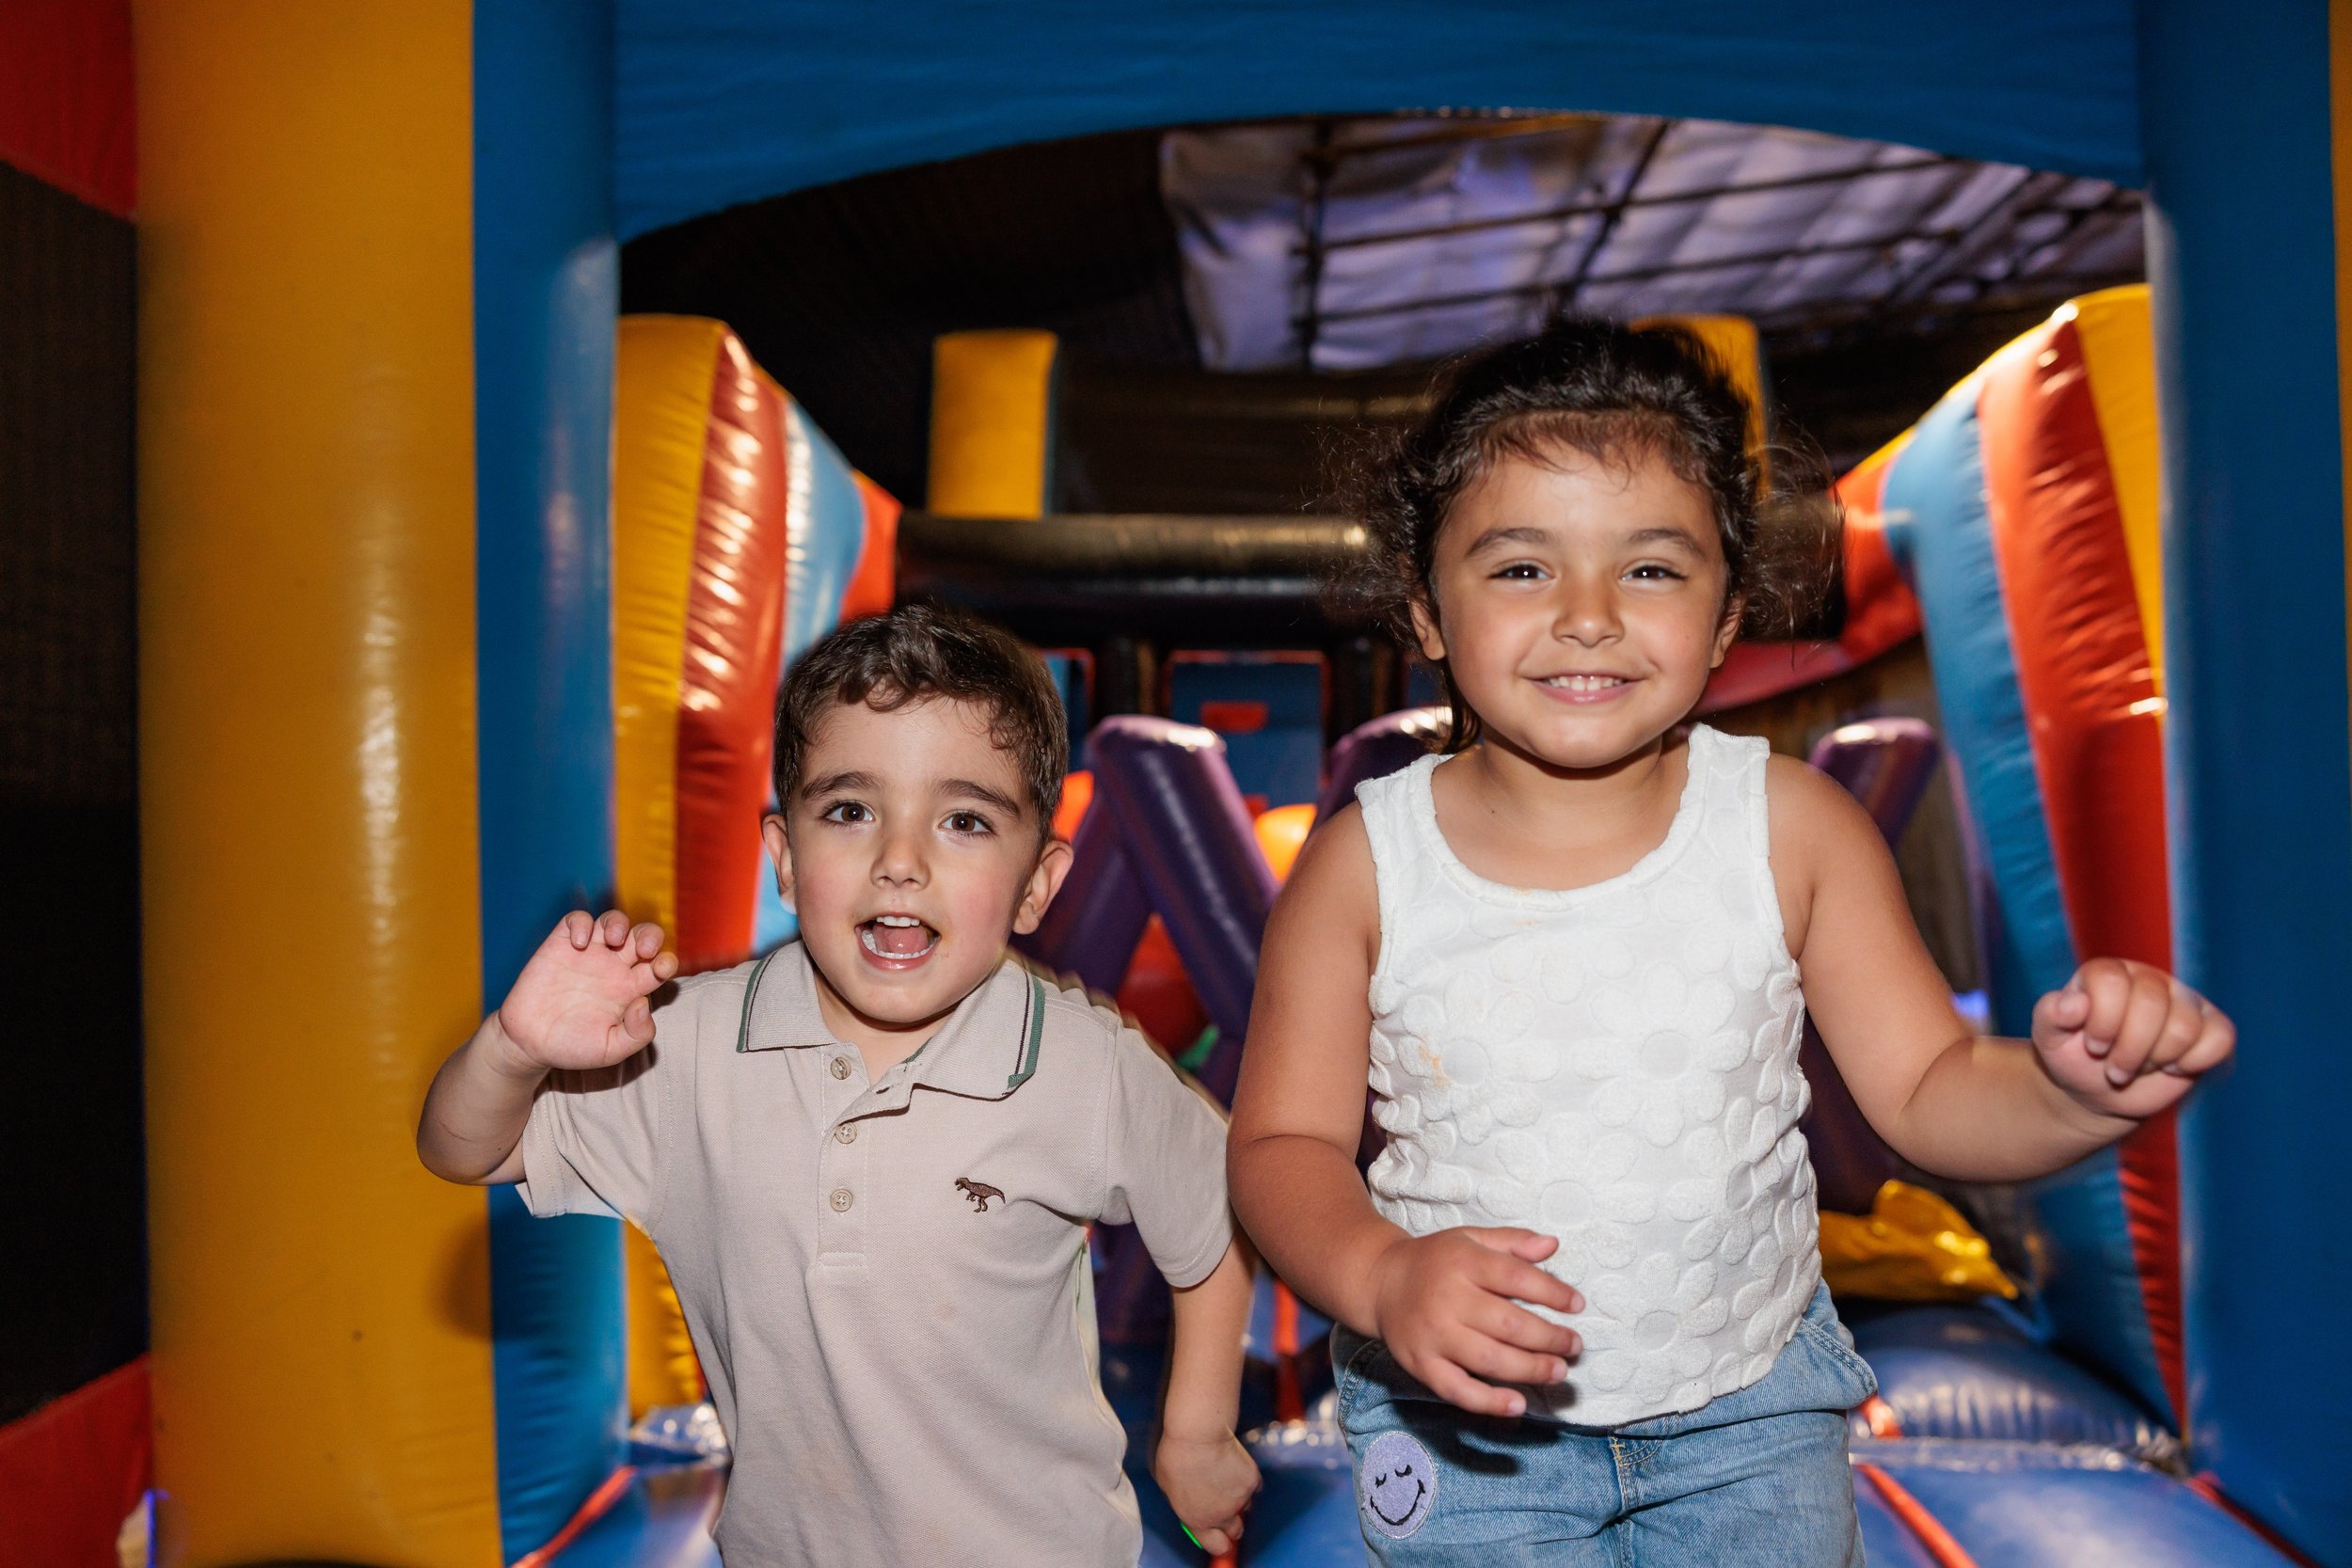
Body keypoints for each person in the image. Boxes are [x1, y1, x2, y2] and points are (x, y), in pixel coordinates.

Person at [1226, 319, 2235, 1565]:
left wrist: (2073, 1090)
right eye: (1522, 568)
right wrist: (1381, 1272)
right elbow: (1282, 1143)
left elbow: (1928, 1088)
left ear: (1725, 618)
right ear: (1428, 609)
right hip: (1465, 1424)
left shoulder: (1791, 827)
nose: (1589, 616)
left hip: (1750, 1409)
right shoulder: (1365, 862)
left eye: (1649, 569)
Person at [418, 604, 1260, 1567]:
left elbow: (1217, 1207)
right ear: (783, 854)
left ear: (1036, 883)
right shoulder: (684, 1049)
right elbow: (465, 1147)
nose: (900, 860)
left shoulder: (1078, 1062)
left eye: (964, 819)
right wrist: (512, 1047)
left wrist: (1196, 1427)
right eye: (851, 809)